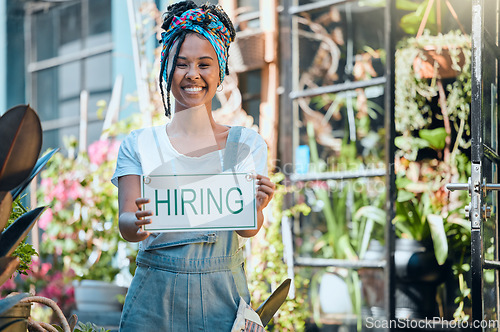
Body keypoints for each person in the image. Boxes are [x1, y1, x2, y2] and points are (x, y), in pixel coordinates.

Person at [111, 1, 275, 331]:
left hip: (223, 299)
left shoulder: (245, 145)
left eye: (205, 64)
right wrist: (136, 222)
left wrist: (257, 206)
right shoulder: (138, 144)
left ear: (221, 71)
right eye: (182, 64)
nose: (193, 74)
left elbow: (248, 228)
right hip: (154, 300)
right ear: (166, 68)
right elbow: (126, 223)